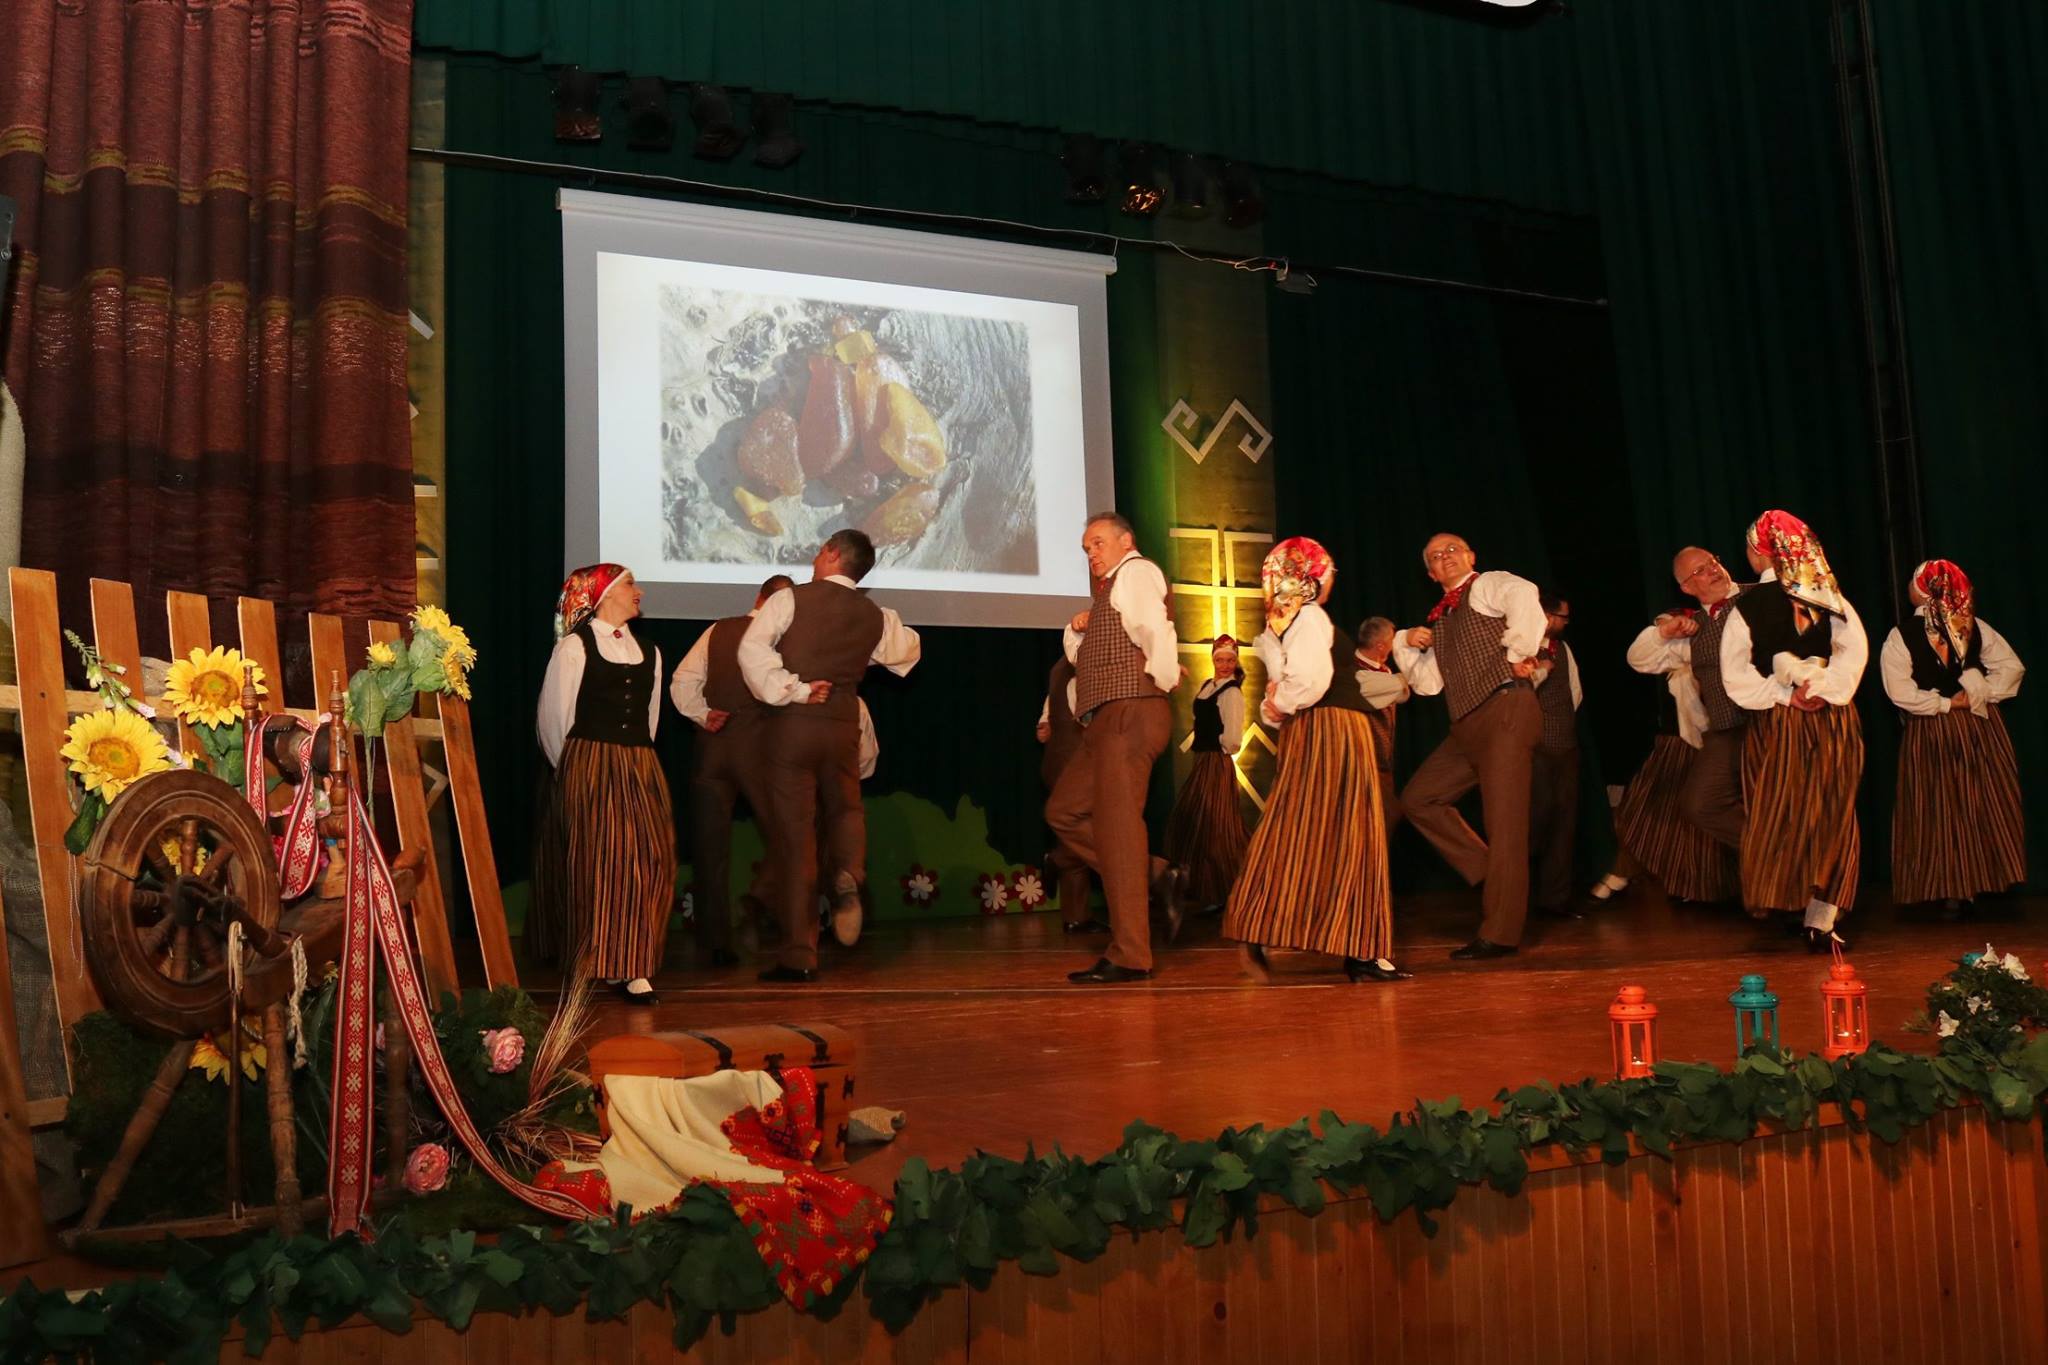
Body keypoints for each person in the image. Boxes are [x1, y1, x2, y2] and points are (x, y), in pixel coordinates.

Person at [740, 529, 920, 982]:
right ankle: (848, 874)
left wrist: (795, 688)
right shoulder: (876, 615)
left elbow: (751, 650)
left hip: (795, 725)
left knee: (795, 837)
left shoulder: (790, 600)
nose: (816, 559)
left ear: (833, 554)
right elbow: (906, 653)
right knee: (845, 807)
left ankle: (799, 954)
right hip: (843, 723)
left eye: (820, 551)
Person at [1224, 538, 1406, 982]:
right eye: (1328, 572)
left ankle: (1265, 925)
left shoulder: (1280, 623)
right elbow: (1309, 680)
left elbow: (1279, 690)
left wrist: (1278, 706)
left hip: (1312, 730)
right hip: (1336, 730)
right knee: (1353, 833)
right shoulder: (1308, 616)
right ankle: (1360, 951)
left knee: (1304, 829)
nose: (1331, 580)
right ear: (1311, 575)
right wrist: (1282, 704)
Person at [1719, 510, 1867, 950]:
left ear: (1760, 552)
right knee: (1834, 812)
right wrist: (1826, 688)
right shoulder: (1832, 597)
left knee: (1778, 809)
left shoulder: (1746, 608)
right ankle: (1818, 916)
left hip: (1779, 723)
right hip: (1832, 719)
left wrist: (1788, 695)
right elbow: (1853, 652)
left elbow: (1735, 674)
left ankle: (1793, 904)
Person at [1394, 533, 1547, 960]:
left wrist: (1518, 651)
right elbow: (1428, 684)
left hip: (1505, 710)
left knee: (1505, 825)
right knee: (1419, 798)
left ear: (1470, 555)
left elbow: (1524, 593)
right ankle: (1493, 874)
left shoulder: (1486, 585)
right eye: (1435, 556)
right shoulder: (1442, 619)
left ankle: (1500, 933)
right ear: (1430, 573)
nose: (1445, 557)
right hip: (1466, 725)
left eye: (1452, 549)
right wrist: (1405, 641)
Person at [532, 564, 675, 1004]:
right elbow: (553, 719)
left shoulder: (650, 651)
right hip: (590, 761)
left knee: (650, 859)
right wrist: (574, 768)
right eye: (630, 583)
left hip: (639, 763)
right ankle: (593, 960)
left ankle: (633, 962)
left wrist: (636, 757)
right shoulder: (574, 648)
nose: (639, 591)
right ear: (606, 593)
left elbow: (650, 718)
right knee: (597, 863)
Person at [1048, 512, 1181, 984]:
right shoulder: (1106, 594)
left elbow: (1155, 629)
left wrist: (1162, 677)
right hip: (1106, 719)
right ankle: (1155, 873)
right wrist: (1078, 630)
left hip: (1131, 711)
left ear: (1127, 540)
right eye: (1086, 549)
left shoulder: (1136, 572)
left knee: (1119, 831)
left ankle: (1130, 954)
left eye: (1099, 543)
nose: (1092, 554)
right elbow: (1082, 657)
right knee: (1064, 811)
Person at [1598, 547, 1754, 902]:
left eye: (1712, 562)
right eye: (1699, 571)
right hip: (1724, 730)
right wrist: (1664, 633)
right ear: (1686, 587)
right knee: (1698, 803)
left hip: (1770, 722)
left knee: (1774, 803)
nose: (1712, 570)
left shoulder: (1757, 597)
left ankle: (1794, 884)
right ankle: (1774, 854)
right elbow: (1637, 658)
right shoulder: (1693, 630)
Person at [1880, 559, 2026, 916]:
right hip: (1974, 726)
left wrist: (1950, 702)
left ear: (1920, 591)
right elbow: (2011, 668)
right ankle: (1972, 886)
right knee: (1972, 802)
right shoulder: (1973, 625)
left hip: (1936, 728)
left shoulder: (1902, 635)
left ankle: (1951, 890)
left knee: (1939, 805)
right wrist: (1977, 695)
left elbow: (1899, 691)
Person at [670, 573, 793, 968]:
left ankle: (716, 942)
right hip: (761, 753)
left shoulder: (718, 630)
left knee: (710, 849)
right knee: (791, 837)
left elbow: (683, 679)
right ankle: (770, 914)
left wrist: (702, 713)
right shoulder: (785, 640)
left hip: (714, 751)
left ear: (758, 596)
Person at [1164, 636, 1249, 913]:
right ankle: (1202, 887)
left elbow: (1233, 736)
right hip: (1202, 760)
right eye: (1220, 659)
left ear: (1235, 662)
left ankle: (1225, 890)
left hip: (1216, 762)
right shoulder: (1207, 686)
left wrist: (1220, 748)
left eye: (1229, 660)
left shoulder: (1232, 692)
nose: (1224, 665)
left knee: (1217, 827)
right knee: (1194, 821)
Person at [1528, 594, 1585, 920]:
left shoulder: (1563, 649)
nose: (1565, 623)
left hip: (1565, 746)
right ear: (1547, 615)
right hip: (1536, 748)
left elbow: (1574, 692)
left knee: (1564, 822)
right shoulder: (1523, 647)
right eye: (1562, 617)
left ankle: (1555, 899)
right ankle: (1522, 896)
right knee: (1535, 820)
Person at [1036, 656, 1100, 932]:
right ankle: (1058, 859)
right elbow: (1085, 718)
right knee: (1085, 828)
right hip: (1073, 764)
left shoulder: (1059, 671)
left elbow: (1046, 721)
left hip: (1060, 762)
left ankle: (1076, 917)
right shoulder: (1078, 672)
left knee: (1075, 831)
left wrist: (1046, 726)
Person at [1352, 617, 1410, 835]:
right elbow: (1402, 688)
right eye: (1393, 640)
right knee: (1377, 819)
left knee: (1383, 820)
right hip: (1363, 762)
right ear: (1380, 646)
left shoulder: (1383, 671)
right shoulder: (1355, 673)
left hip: (1383, 762)